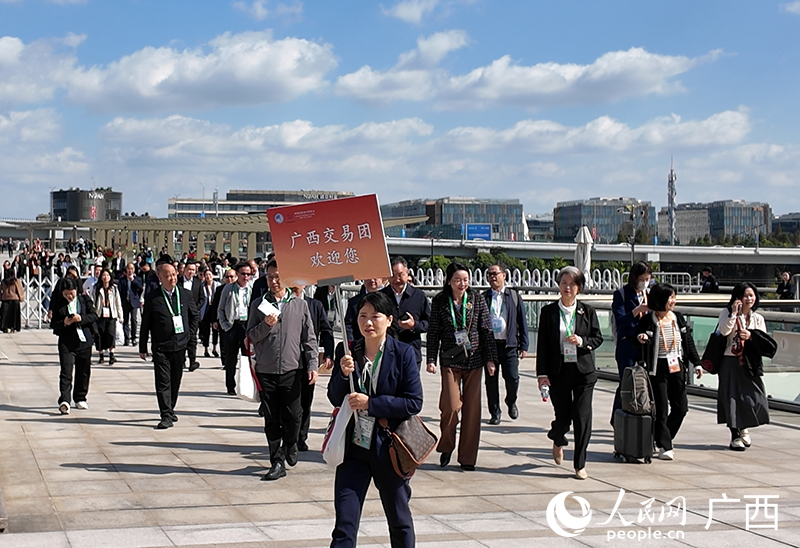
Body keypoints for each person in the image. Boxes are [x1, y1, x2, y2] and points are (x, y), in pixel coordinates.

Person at [328, 291, 422, 548]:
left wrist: (372, 403)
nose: (368, 322)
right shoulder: (348, 351)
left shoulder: (403, 354)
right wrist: (341, 373)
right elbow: (335, 398)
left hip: (388, 448)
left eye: (375, 316)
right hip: (354, 448)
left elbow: (413, 402)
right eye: (362, 316)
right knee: (345, 524)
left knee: (399, 520)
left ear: (389, 320)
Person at [246, 259, 318, 481]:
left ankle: (291, 442)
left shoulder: (299, 304)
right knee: (272, 417)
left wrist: (312, 364)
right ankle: (277, 460)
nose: (274, 281)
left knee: (294, 415)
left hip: (292, 369)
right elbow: (250, 336)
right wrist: (265, 325)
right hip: (266, 370)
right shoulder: (259, 304)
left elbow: (309, 339)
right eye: (269, 277)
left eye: (277, 276)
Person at [426, 262, 497, 471]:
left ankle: (467, 458)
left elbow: (486, 330)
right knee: (450, 405)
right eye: (458, 280)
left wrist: (491, 359)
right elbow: (433, 333)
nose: (462, 283)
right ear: (449, 281)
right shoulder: (440, 301)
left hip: (474, 359)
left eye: (465, 279)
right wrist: (431, 359)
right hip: (450, 359)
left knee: (472, 410)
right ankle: (447, 445)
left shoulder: (477, 299)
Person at [536, 266, 603, 480]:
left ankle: (579, 464)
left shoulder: (587, 311)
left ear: (579, 288)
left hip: (583, 371)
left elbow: (597, 338)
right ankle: (557, 437)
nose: (567, 287)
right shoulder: (548, 312)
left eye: (572, 284)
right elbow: (543, 346)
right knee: (563, 418)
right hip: (559, 371)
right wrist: (542, 374)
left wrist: (582, 341)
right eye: (564, 283)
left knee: (582, 417)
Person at [635, 283, 703, 461]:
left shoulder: (677, 318)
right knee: (662, 409)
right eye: (670, 298)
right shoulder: (649, 319)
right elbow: (637, 339)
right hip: (657, 368)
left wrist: (697, 363)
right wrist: (642, 338)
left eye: (674, 297)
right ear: (660, 300)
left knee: (681, 407)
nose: (673, 301)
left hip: (676, 365)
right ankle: (665, 445)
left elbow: (688, 342)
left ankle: (662, 437)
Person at [139, 257, 199, 429]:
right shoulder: (153, 297)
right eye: (168, 275)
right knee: (163, 381)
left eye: (174, 274)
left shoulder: (185, 294)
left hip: (180, 345)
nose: (172, 278)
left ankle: (171, 407)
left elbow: (194, 315)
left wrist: (190, 333)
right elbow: (146, 323)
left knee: (175, 380)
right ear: (160, 277)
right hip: (161, 346)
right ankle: (165, 414)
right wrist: (143, 346)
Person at [716, 282, 770, 451]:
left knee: (755, 396)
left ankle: (744, 426)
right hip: (729, 360)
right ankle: (735, 435)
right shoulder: (726, 313)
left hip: (749, 362)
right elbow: (724, 332)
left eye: (752, 295)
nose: (749, 299)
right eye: (746, 296)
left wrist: (751, 335)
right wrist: (733, 314)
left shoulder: (758, 318)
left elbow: (763, 341)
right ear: (738, 297)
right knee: (730, 397)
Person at [482, 262, 529, 424]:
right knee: (491, 381)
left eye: (495, 273)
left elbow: (522, 321)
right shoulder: (484, 297)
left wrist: (524, 345)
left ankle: (511, 400)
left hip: (509, 345)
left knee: (513, 378)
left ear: (504, 275)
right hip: (490, 346)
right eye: (489, 274)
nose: (493, 277)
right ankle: (495, 412)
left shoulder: (513, 296)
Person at [292, 284, 334, 451]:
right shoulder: (283, 303)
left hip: (308, 357)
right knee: (289, 399)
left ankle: (301, 436)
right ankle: (289, 435)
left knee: (306, 399)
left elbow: (326, 330)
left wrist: (329, 354)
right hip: (287, 357)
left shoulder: (315, 305)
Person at [610, 261, 652, 422]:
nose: (644, 282)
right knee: (626, 382)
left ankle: (641, 413)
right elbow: (621, 320)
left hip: (644, 343)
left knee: (644, 382)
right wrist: (638, 310)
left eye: (647, 278)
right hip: (627, 343)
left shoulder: (647, 294)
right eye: (642, 278)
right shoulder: (621, 294)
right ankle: (619, 417)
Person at [50, 278, 98, 414]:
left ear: (76, 290)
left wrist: (81, 319)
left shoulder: (85, 300)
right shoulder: (59, 304)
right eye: (66, 294)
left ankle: (80, 397)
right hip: (67, 342)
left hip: (84, 340)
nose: (69, 297)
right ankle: (65, 400)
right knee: (66, 371)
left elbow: (94, 316)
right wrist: (64, 322)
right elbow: (54, 324)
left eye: (71, 293)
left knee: (84, 370)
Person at [380, 256, 430, 369]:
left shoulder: (419, 296)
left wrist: (414, 326)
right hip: (386, 352)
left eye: (401, 275)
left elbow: (429, 323)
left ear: (407, 274)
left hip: (411, 352)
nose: (397, 279)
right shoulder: (381, 297)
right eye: (393, 275)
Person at [217, 261, 253, 395]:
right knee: (231, 359)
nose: (246, 277)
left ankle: (246, 386)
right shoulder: (229, 288)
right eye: (243, 274)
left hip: (246, 326)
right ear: (237, 274)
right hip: (232, 325)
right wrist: (225, 325)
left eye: (248, 274)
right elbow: (220, 309)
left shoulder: (251, 289)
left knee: (247, 358)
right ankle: (230, 386)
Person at [179, 260, 205, 372]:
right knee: (181, 337)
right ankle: (181, 360)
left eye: (193, 270)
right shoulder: (178, 282)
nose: (191, 272)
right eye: (189, 269)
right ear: (184, 270)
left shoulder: (197, 283)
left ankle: (192, 361)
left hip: (193, 316)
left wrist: (195, 309)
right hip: (181, 315)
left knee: (192, 338)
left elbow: (202, 298)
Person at [94, 269, 124, 364]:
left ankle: (112, 355)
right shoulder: (97, 288)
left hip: (111, 315)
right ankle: (101, 355)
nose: (105, 277)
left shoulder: (114, 288)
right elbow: (92, 301)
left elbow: (118, 302)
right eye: (103, 275)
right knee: (100, 335)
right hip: (100, 315)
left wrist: (120, 316)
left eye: (107, 275)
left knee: (111, 334)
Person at [344, 278, 383, 346]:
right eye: (369, 278)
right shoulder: (354, 302)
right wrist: (350, 343)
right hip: (359, 344)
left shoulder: (387, 300)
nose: (372, 280)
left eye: (375, 278)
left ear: (381, 279)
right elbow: (348, 325)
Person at [118, 263, 144, 346]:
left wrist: (132, 280)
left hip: (134, 302)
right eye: (128, 268)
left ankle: (133, 338)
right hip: (125, 302)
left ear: (134, 270)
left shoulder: (137, 279)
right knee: (125, 320)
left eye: (131, 268)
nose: (130, 270)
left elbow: (140, 287)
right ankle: (126, 339)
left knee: (134, 320)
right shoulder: (122, 280)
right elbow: (119, 290)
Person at [198, 268, 221, 358]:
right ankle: (206, 349)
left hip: (215, 309)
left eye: (210, 275)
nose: (208, 277)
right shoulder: (202, 286)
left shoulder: (217, 285)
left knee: (215, 330)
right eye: (206, 275)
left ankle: (214, 348)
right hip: (206, 309)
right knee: (205, 330)